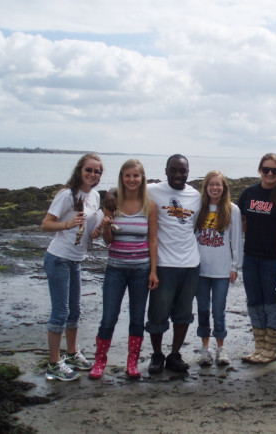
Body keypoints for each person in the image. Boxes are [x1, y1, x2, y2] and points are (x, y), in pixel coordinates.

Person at [106, 154, 201, 373]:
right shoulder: (153, 190)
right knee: (157, 313)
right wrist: (110, 193)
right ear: (166, 171)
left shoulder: (196, 196)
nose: (178, 175)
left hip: (190, 264)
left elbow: (197, 223)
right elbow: (127, 186)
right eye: (174, 170)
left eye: (183, 171)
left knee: (183, 314)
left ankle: (174, 354)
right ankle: (157, 355)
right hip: (163, 264)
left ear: (188, 172)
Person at [88, 159, 159, 379]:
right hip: (115, 269)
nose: (131, 179)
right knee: (109, 317)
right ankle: (99, 362)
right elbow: (108, 241)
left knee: (137, 318)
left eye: (136, 176)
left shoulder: (150, 206)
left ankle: (132, 363)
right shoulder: (112, 203)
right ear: (122, 178)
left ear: (142, 178)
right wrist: (107, 226)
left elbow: (153, 240)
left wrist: (153, 271)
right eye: (127, 175)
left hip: (141, 270)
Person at [41, 153, 104, 381]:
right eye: (89, 170)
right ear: (80, 171)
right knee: (60, 311)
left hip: (76, 259)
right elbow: (46, 224)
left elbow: (88, 229)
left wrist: (95, 231)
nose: (93, 175)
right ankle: (54, 363)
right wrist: (68, 224)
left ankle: (72, 352)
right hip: (58, 258)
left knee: (75, 311)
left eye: (97, 171)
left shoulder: (94, 196)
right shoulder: (66, 195)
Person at [237, 153, 276, 364]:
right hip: (251, 257)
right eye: (266, 169)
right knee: (254, 302)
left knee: (272, 303)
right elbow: (242, 219)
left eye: (274, 171)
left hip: (274, 260)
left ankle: (272, 348)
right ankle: (259, 346)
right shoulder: (249, 193)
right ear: (260, 170)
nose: (270, 174)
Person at [194, 171, 243, 366]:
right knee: (203, 308)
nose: (215, 188)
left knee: (219, 310)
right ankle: (205, 349)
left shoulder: (233, 210)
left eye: (218, 185)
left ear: (224, 188)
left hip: (222, 270)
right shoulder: (199, 209)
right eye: (211, 185)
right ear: (206, 188)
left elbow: (237, 241)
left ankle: (220, 348)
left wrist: (235, 266)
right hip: (200, 270)